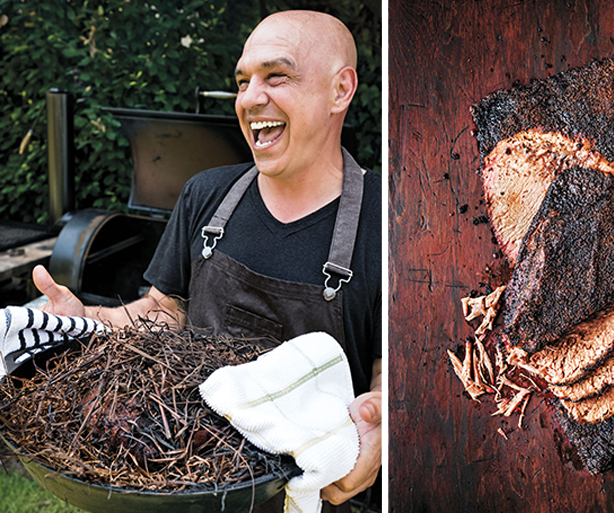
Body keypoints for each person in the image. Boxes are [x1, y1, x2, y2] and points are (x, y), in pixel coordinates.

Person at [31, 10, 381, 512]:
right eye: (243, 81)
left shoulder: (385, 220)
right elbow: (163, 312)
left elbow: (390, 372)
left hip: (317, 493)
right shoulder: (207, 196)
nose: (250, 98)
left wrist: (380, 426)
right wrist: (89, 320)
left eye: (275, 76)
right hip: (194, 475)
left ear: (340, 90)